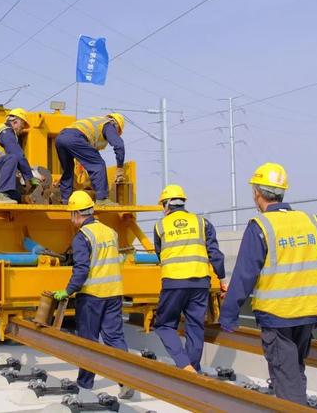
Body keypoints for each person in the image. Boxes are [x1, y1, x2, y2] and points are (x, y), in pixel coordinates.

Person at [219, 163, 317, 405]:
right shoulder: (310, 222)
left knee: (286, 379)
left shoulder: (260, 226)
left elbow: (244, 275)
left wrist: (228, 315)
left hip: (278, 317)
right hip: (308, 313)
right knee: (294, 372)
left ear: (257, 193)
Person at [52, 191, 133, 399]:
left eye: (71, 214)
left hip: (92, 296)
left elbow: (81, 269)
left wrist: (68, 291)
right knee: (114, 338)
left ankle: (85, 384)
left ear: (77, 214)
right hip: (114, 293)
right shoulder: (110, 232)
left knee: (88, 340)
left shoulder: (82, 237)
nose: (71, 218)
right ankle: (127, 380)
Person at [152, 184, 227, 373]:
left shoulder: (160, 226)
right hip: (200, 282)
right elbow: (215, 253)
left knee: (163, 325)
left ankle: (184, 365)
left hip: (173, 282)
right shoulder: (202, 223)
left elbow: (161, 255)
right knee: (195, 326)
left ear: (167, 204)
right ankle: (193, 368)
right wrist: (223, 278)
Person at [55, 113, 126, 206]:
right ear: (117, 125)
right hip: (75, 137)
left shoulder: (95, 121)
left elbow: (88, 152)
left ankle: (65, 200)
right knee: (98, 164)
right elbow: (119, 145)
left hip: (60, 138)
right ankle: (102, 199)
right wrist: (120, 167)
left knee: (68, 170)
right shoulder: (109, 124)